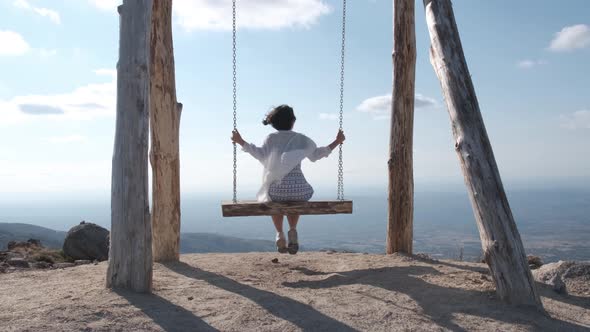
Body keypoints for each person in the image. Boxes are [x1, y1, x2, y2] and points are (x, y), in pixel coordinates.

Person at [231, 104, 346, 254]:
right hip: (300, 190)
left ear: (274, 123)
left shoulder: (270, 138)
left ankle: (279, 233)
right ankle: (292, 229)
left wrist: (240, 141)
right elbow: (317, 155)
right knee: (294, 198)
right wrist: (337, 141)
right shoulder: (302, 139)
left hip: (277, 191)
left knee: (271, 198)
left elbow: (259, 154)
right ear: (293, 121)